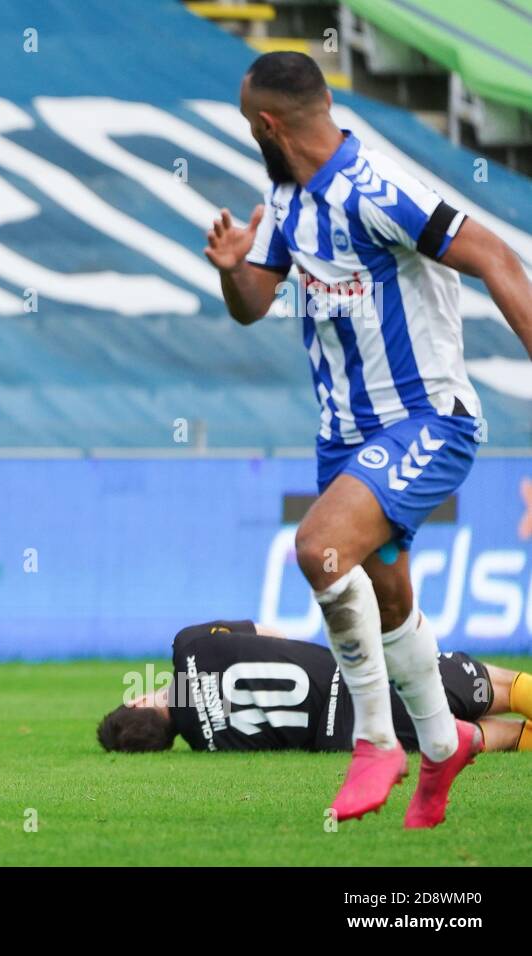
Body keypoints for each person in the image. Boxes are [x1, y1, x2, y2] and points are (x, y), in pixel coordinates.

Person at [202, 52, 532, 827]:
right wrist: (230, 269)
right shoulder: (285, 197)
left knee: (318, 549)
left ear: (268, 124)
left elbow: (497, 256)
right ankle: (445, 746)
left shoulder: (380, 189)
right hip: (344, 440)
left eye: (248, 121)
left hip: (426, 420)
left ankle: (378, 743)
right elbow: (255, 302)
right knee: (387, 599)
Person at [97, 620, 532, 756]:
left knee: (493, 736)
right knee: (502, 687)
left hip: (351, 734)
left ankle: (517, 738)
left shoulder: (211, 746)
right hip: (356, 676)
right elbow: (270, 633)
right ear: (137, 701)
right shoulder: (188, 647)